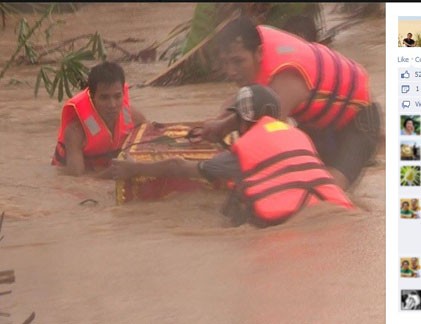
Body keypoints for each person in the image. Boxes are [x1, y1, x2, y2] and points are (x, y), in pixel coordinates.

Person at [110, 84, 354, 227]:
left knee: (230, 210)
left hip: (290, 226)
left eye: (236, 119)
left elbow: (178, 166)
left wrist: (135, 169)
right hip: (333, 213)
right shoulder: (298, 136)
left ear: (244, 119)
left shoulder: (244, 153)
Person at [199, 17, 381, 191]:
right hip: (317, 124)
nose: (231, 71)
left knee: (329, 191)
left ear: (259, 52)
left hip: (358, 121)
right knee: (303, 182)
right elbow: (236, 102)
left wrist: (200, 167)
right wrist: (218, 123)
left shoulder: (288, 77)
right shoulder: (254, 40)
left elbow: (261, 140)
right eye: (225, 63)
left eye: (238, 61)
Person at [51, 61, 147, 177]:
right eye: (104, 98)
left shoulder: (134, 117)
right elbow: (76, 180)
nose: (112, 105)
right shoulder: (75, 132)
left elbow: (152, 140)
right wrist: (108, 175)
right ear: (92, 98)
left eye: (117, 96)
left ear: (123, 93)